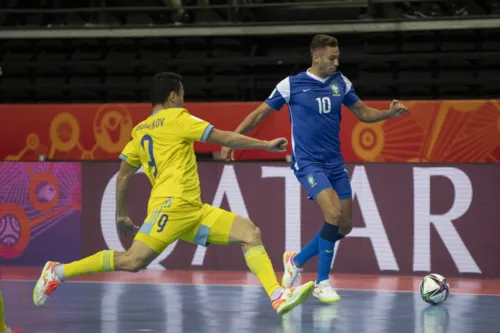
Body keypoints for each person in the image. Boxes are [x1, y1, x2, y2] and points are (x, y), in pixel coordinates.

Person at [32, 72, 315, 316]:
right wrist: (265, 145)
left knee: (250, 233)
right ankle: (57, 272)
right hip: (172, 206)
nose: (184, 101)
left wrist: (120, 214)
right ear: (172, 97)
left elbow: (124, 174)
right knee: (133, 261)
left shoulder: (139, 131)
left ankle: (277, 295)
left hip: (193, 209)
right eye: (182, 95)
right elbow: (225, 138)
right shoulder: (178, 118)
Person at [221, 34, 408, 303]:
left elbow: (364, 113)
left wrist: (388, 113)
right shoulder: (291, 85)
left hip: (335, 162)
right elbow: (258, 114)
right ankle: (321, 282)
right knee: (332, 214)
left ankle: (296, 260)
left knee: (344, 226)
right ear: (316, 57)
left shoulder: (341, 83)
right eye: (332, 58)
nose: (336, 62)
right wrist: (232, 140)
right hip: (308, 163)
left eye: (338, 57)